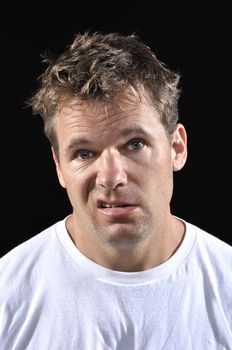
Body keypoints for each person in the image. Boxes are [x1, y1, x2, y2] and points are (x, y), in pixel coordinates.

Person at [0, 31, 231, 349]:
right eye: (84, 153)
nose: (111, 177)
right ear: (59, 166)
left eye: (135, 144)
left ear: (176, 148)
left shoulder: (226, 284)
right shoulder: (8, 293)